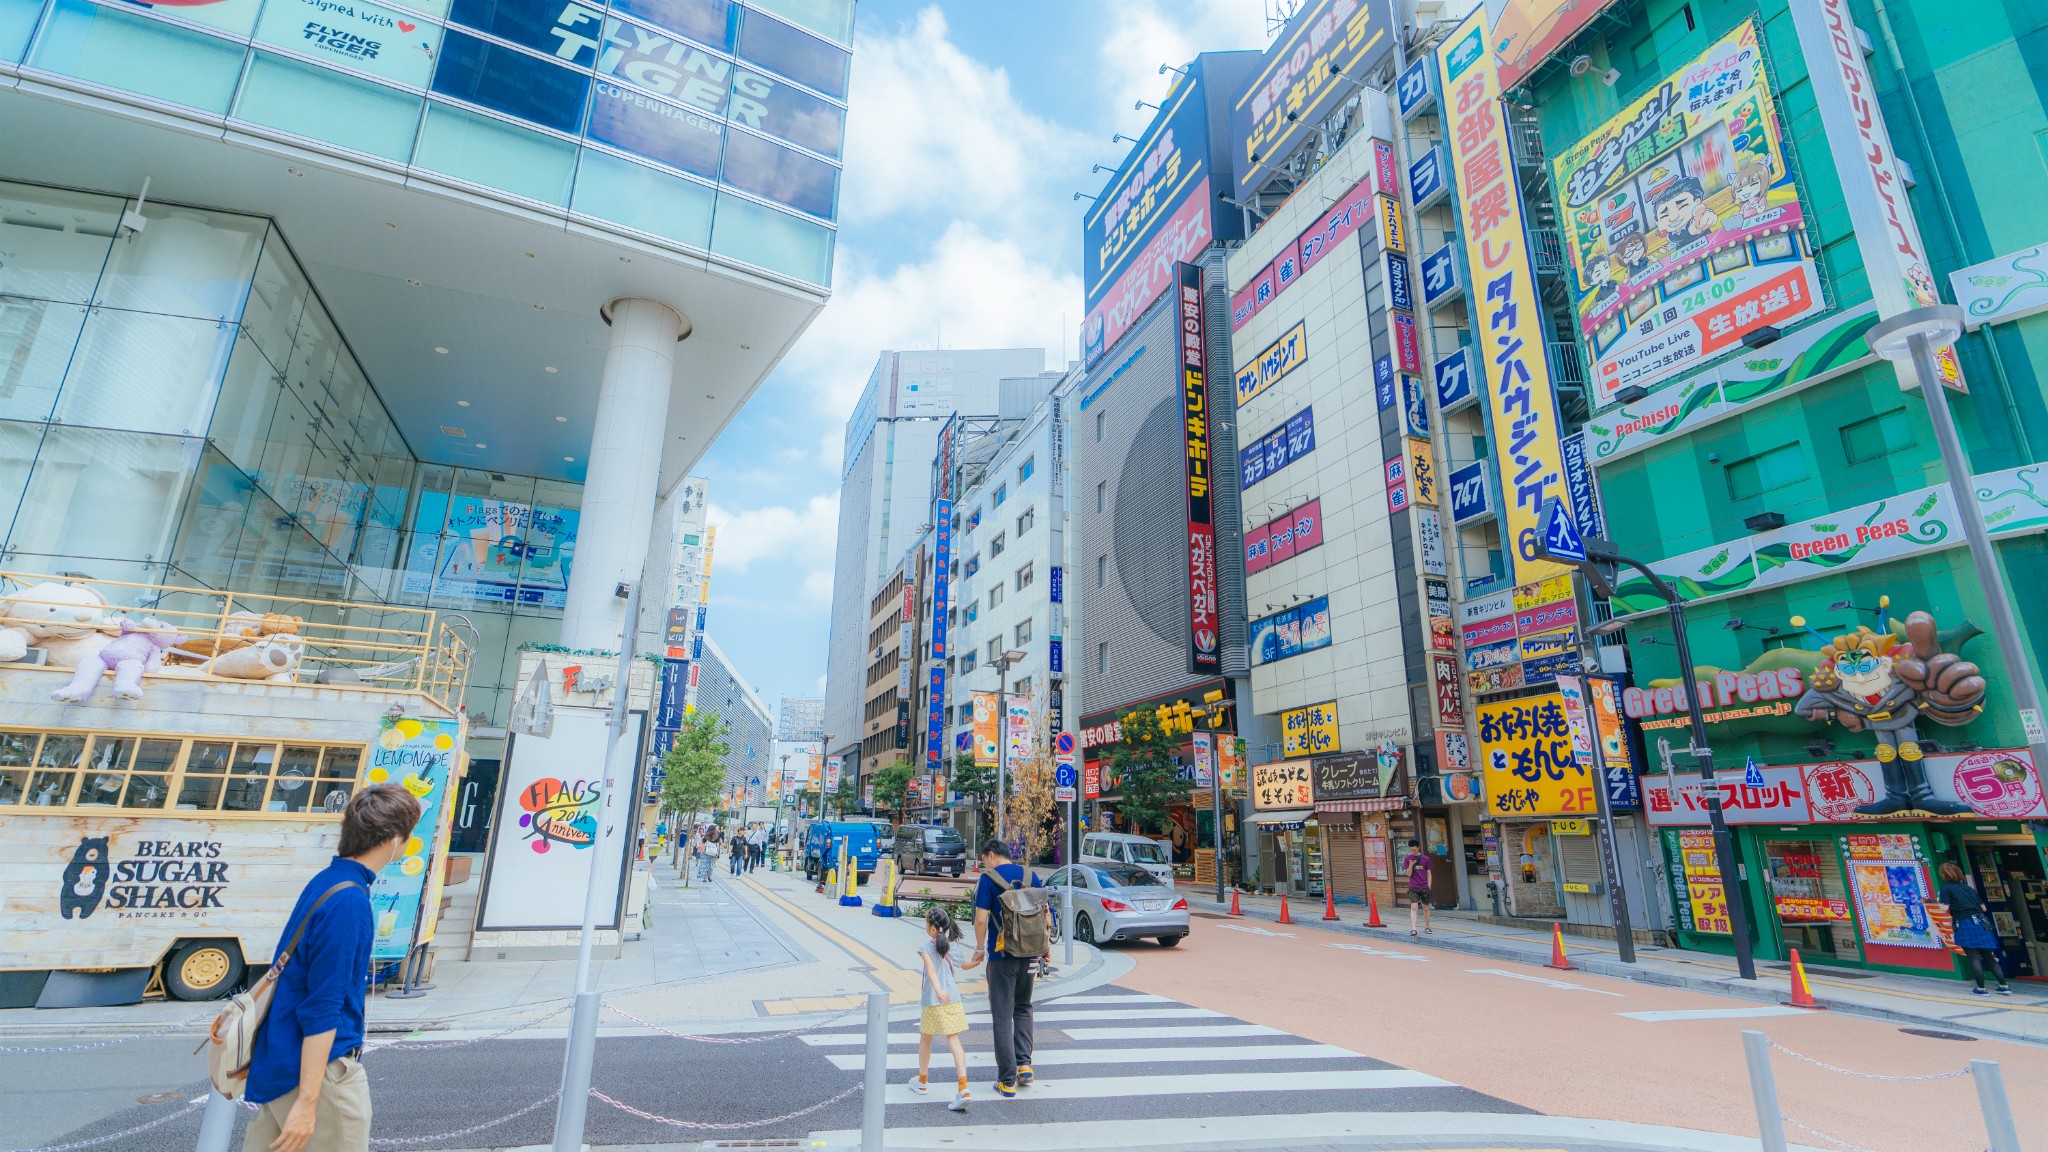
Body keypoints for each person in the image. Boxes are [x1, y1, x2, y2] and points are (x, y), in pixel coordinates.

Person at [244, 784, 422, 1152]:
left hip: (281, 1055)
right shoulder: (349, 903)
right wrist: (308, 1104)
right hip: (320, 1072)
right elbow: (323, 1005)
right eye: (409, 835)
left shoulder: (327, 882)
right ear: (393, 840)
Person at [971, 840, 1043, 1097]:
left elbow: (980, 919)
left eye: (984, 859)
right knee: (1023, 1006)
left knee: (1002, 1015)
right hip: (1031, 953)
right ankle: (1024, 1066)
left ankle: (1007, 1080)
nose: (984, 864)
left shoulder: (988, 880)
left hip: (1002, 956)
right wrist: (1045, 948)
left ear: (991, 855)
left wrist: (980, 948)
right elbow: (1043, 912)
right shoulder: (1031, 875)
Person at [911, 906, 977, 1111]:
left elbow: (931, 972)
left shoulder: (926, 948)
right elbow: (965, 966)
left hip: (933, 1001)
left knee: (926, 1038)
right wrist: (977, 962)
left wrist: (938, 991)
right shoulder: (953, 947)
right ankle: (963, 1087)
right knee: (954, 1040)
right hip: (953, 1000)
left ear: (932, 929)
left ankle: (922, 1081)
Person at [1938, 862, 2011, 995]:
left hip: (1965, 923)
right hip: (1981, 923)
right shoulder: (1968, 888)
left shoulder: (1946, 888)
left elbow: (1944, 908)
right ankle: (2004, 986)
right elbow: (1984, 908)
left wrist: (1940, 902)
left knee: (1973, 957)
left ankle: (1981, 989)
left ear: (1943, 875)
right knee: (1989, 956)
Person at [1400, 838, 1434, 936]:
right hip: (1413, 886)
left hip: (1424, 886)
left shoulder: (1426, 859)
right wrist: (1410, 865)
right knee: (1414, 907)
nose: (1413, 851)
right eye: (1411, 850)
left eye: (1415, 849)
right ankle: (1414, 928)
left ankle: (1427, 927)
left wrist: (1429, 886)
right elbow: (1409, 874)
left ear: (1418, 847)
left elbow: (1429, 873)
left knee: (1426, 908)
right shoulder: (1407, 859)